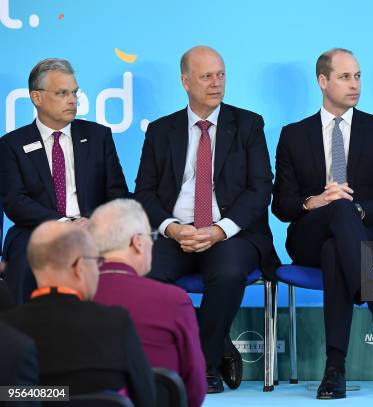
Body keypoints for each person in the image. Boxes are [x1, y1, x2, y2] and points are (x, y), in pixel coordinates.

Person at [134, 45, 279, 393]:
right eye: (206, 76)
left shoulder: (247, 124)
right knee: (147, 276)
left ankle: (203, 364)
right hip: (176, 233)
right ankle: (215, 342)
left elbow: (261, 189)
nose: (216, 83)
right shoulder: (160, 130)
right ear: (185, 81)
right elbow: (144, 192)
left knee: (228, 273)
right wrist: (171, 227)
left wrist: (218, 230)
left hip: (232, 234)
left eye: (221, 75)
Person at [272, 48, 373, 399]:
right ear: (323, 81)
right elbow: (282, 206)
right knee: (334, 207)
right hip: (308, 236)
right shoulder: (293, 134)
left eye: (358, 76)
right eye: (345, 77)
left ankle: (334, 368)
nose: (355, 84)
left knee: (338, 241)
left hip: (366, 237)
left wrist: (357, 211)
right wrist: (314, 201)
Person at [0, 58, 128, 304]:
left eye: (74, 93)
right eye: (62, 93)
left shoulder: (98, 135)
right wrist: (62, 223)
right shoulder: (11, 145)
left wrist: (94, 223)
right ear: (37, 98)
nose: (73, 100)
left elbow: (117, 192)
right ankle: (27, 336)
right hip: (36, 229)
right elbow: (15, 202)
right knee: (25, 264)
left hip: (92, 228)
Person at [0, 221, 155, 406]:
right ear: (79, 267)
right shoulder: (117, 323)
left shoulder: (7, 330)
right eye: (97, 262)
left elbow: (9, 396)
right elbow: (147, 398)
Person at [90, 199, 206, 407]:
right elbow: (195, 391)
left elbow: (45, 392)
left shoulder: (71, 298)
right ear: (138, 242)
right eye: (152, 237)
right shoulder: (174, 300)